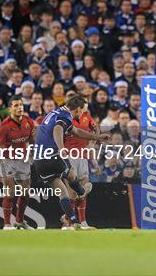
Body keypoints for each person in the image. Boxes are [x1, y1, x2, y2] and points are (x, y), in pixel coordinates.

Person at [34, 95, 108, 230]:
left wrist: (96, 137)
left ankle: (73, 223)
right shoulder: (66, 116)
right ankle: (81, 192)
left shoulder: (56, 112)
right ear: (78, 109)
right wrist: (62, 149)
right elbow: (58, 128)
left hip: (39, 162)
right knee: (72, 175)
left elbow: (76, 131)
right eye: (83, 110)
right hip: (53, 156)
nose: (83, 113)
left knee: (63, 193)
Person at [0, 95, 36, 230]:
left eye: (21, 105)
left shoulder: (28, 121)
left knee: (26, 192)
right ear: (10, 108)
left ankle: (19, 221)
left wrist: (32, 154)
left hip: (23, 159)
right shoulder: (4, 126)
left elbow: (32, 140)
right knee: (10, 191)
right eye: (16, 106)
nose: (19, 108)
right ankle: (7, 224)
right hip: (8, 160)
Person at [62, 92, 101, 229]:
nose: (85, 108)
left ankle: (83, 222)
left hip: (83, 157)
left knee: (83, 191)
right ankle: (69, 222)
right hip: (69, 156)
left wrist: (92, 143)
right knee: (72, 191)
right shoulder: (65, 118)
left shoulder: (86, 117)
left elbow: (96, 129)